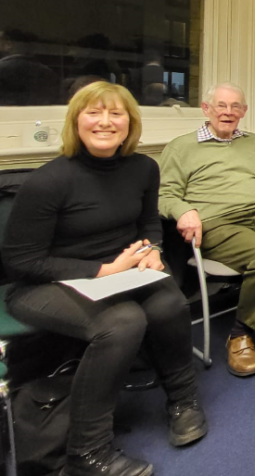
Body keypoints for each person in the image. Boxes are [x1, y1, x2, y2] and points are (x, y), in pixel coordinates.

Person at [2, 82, 207, 476]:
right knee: (121, 322)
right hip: (43, 284)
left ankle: (183, 401)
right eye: (94, 112)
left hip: (120, 273)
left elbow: (148, 222)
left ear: (130, 123)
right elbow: (21, 261)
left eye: (116, 114)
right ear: (76, 120)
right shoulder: (49, 180)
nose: (105, 122)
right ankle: (87, 454)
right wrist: (101, 271)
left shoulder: (143, 168)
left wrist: (153, 250)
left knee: (169, 303)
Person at [158, 82, 255, 378]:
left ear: (243, 111)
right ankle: (240, 335)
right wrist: (184, 211)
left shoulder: (254, 143)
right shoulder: (181, 147)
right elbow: (165, 196)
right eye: (221, 106)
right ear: (206, 109)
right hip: (218, 222)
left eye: (235, 107)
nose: (228, 113)